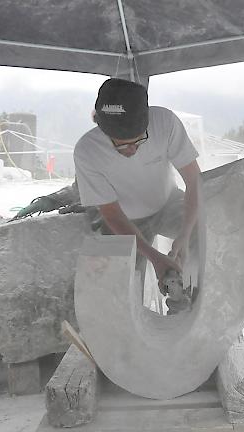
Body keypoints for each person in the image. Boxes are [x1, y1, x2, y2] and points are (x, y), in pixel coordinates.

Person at [73, 78, 201, 303]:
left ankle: (198, 302)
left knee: (206, 232)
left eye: (139, 141)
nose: (131, 149)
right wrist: (154, 257)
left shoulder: (165, 122)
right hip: (125, 219)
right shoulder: (87, 152)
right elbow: (111, 214)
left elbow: (193, 180)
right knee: (122, 289)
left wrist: (186, 234)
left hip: (167, 202)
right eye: (121, 145)